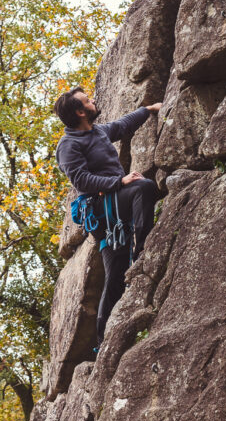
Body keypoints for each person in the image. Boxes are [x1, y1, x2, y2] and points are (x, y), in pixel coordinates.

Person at [54, 87, 162, 346]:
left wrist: (148, 110)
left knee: (115, 275)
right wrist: (119, 181)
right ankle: (141, 253)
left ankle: (104, 341)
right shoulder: (68, 145)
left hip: (116, 201)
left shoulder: (98, 132)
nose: (93, 101)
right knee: (143, 187)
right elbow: (80, 179)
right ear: (80, 112)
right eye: (87, 101)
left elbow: (122, 125)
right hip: (102, 209)